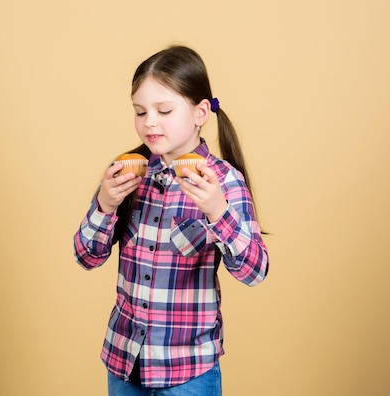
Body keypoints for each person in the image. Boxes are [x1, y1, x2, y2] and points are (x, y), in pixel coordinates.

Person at [73, 45, 269, 396]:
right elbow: (86, 257)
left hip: (189, 371)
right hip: (124, 364)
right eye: (140, 111)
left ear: (200, 112)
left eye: (164, 110)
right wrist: (104, 204)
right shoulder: (128, 175)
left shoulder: (223, 182)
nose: (149, 122)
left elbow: (254, 271)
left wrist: (217, 211)